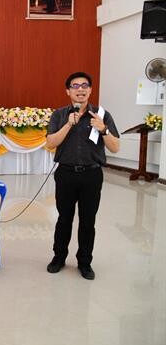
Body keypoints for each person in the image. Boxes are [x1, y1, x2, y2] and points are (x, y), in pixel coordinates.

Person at [45, 71, 120, 280]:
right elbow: (50, 143)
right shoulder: (59, 115)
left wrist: (103, 130)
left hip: (92, 176)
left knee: (88, 221)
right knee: (64, 219)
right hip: (66, 174)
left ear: (91, 90)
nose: (81, 89)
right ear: (68, 91)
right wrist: (69, 124)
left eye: (85, 85)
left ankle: (85, 262)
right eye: (76, 86)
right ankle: (59, 257)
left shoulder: (102, 116)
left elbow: (116, 148)